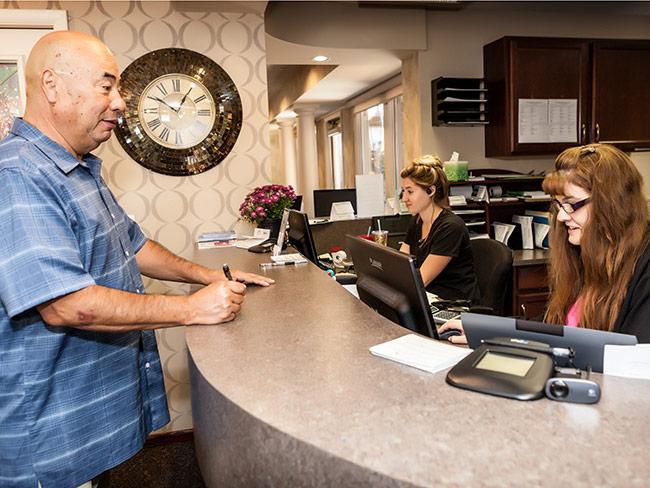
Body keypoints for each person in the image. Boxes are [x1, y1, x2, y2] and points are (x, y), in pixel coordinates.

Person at [0, 31, 274, 488]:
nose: (121, 102)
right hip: (48, 439)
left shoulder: (77, 166)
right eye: (106, 86)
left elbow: (132, 244)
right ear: (51, 86)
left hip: (84, 424)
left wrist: (208, 275)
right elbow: (68, 304)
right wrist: (191, 309)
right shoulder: (19, 174)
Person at [439, 143, 650, 343]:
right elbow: (551, 327)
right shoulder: (586, 255)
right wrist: (486, 329)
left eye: (571, 205)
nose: (561, 217)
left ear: (611, 204)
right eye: (558, 205)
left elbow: (635, 360)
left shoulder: (643, 266)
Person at [399, 155, 480, 303]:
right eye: (403, 191)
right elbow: (401, 265)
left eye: (410, 192)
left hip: (455, 307)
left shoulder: (450, 227)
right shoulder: (416, 221)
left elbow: (419, 281)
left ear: (430, 191)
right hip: (430, 299)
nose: (404, 198)